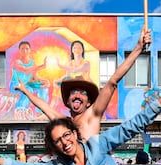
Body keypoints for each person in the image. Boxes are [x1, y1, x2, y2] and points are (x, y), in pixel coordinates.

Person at [0, 66, 161, 165]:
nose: (64, 142)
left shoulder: (98, 143)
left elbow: (132, 125)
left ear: (76, 134)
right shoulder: (61, 164)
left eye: (66, 135)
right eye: (58, 140)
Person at [15, 26, 152, 141]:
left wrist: (138, 48)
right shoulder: (65, 122)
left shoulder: (93, 114)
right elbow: (44, 106)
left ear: (88, 102)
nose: (77, 95)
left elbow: (112, 81)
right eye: (73, 92)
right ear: (68, 101)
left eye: (83, 93)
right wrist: (25, 90)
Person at [9, 41, 50, 117]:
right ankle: (20, 110)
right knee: (28, 90)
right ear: (19, 50)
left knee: (44, 88)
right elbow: (26, 70)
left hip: (27, 84)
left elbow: (35, 77)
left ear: (30, 50)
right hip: (16, 85)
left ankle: (40, 111)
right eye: (22, 49)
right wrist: (42, 66)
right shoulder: (16, 62)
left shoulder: (32, 63)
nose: (25, 51)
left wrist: (44, 81)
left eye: (27, 49)